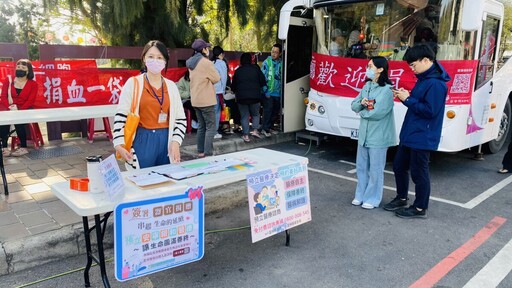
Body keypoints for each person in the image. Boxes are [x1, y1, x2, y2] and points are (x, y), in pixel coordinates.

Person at [383, 44, 451, 218]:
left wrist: (408, 99)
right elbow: (419, 104)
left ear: (426, 60)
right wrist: (408, 97)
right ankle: (401, 197)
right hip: (411, 133)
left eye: (413, 65)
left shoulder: (436, 83)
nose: (412, 69)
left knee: (419, 172)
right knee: (399, 166)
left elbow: (430, 111)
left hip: (423, 135)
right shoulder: (425, 79)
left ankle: (420, 207)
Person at [113, 40, 187, 169]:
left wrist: (176, 142)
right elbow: (121, 115)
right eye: (151, 57)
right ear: (144, 59)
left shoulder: (171, 86)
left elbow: (181, 119)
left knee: (167, 181)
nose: (155, 61)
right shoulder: (133, 83)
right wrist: (119, 144)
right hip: (142, 140)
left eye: (160, 57)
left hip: (166, 140)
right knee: (141, 182)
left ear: (165, 61)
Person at [350, 56, 396, 209]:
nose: (367, 69)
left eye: (370, 66)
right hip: (364, 135)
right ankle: (360, 195)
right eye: (367, 66)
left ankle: (373, 198)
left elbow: (378, 112)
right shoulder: (366, 86)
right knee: (361, 167)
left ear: (380, 69)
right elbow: (354, 104)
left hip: (379, 136)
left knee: (375, 169)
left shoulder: (387, 90)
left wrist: (361, 111)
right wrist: (361, 104)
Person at [186, 39, 221, 158]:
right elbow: (216, 78)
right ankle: (208, 153)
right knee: (211, 127)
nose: (209, 50)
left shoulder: (190, 63)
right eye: (207, 48)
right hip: (206, 100)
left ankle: (200, 151)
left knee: (201, 126)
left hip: (196, 99)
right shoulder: (206, 62)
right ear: (203, 50)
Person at [0, 59, 38, 157]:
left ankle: (23, 148)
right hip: (7, 106)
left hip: (24, 108)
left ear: (28, 71)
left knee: (18, 119)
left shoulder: (33, 84)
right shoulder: (8, 80)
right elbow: (3, 96)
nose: (20, 68)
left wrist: (18, 110)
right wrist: (9, 108)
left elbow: (30, 101)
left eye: (23, 67)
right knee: (4, 118)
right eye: (18, 67)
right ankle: (4, 148)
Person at [231, 53, 266, 142]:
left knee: (244, 116)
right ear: (251, 60)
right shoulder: (256, 69)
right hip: (255, 97)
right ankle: (255, 131)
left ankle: (246, 135)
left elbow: (233, 86)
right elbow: (263, 81)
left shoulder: (238, 71)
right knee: (255, 114)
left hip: (242, 98)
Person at [261, 43, 282, 138]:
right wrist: (265, 91)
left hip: (278, 93)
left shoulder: (282, 63)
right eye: (272, 52)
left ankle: (271, 127)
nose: (273, 54)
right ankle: (265, 128)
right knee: (268, 111)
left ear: (280, 53)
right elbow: (262, 77)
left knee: (275, 111)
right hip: (268, 92)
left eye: (276, 52)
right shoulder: (267, 62)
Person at [212, 46, 228, 139]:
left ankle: (210, 130)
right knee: (217, 111)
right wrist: (224, 90)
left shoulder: (211, 63)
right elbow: (224, 77)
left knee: (211, 112)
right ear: (221, 54)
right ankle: (214, 132)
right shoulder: (222, 63)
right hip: (218, 90)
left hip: (210, 91)